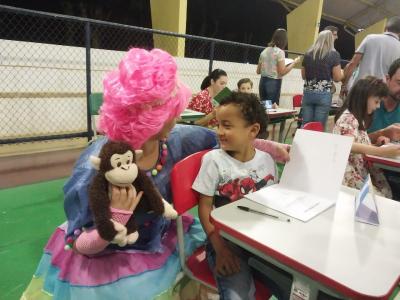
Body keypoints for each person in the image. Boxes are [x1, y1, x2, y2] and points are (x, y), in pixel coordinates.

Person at [22, 48, 290, 300]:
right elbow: (81, 243)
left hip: (162, 234)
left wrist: (271, 148)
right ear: (149, 118)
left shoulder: (175, 139)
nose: (176, 118)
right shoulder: (95, 168)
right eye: (170, 112)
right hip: (107, 256)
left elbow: (219, 138)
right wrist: (114, 221)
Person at [193, 92, 277, 299]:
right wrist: (220, 250)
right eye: (218, 124)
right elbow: (204, 209)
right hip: (225, 242)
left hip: (261, 240)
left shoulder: (267, 160)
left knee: (298, 285)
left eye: (227, 126)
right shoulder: (213, 160)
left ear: (253, 130)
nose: (219, 131)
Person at [333, 76, 400, 198]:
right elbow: (348, 144)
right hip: (348, 177)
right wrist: (380, 151)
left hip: (358, 172)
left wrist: (377, 145)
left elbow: (358, 145)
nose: (378, 106)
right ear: (364, 97)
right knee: (382, 194)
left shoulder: (358, 119)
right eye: (376, 101)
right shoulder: (348, 118)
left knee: (386, 191)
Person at [341, 16, 400, 96]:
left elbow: (353, 64)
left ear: (385, 28)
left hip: (360, 89)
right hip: (380, 92)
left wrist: (344, 85)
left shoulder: (370, 38)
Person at [367, 59, 400, 200]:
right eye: (399, 82)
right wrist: (382, 134)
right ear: (387, 78)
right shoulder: (369, 103)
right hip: (370, 173)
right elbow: (352, 140)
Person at [301, 30, 343, 129]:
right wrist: (343, 73)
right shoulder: (334, 54)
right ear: (330, 40)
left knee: (306, 124)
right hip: (323, 94)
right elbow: (337, 78)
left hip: (308, 92)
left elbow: (303, 76)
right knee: (318, 126)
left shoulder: (308, 54)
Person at [257, 28, 300, 106]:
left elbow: (258, 71)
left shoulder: (264, 51)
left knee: (264, 108)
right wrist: (294, 63)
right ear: (284, 40)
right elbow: (282, 72)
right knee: (273, 109)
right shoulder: (279, 52)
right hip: (273, 83)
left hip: (262, 82)